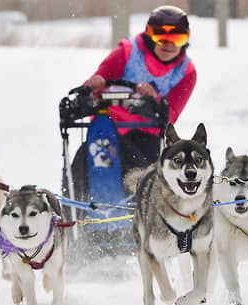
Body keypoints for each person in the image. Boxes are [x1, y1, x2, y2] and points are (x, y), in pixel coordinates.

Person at [71, 5, 197, 198]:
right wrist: (93, 84)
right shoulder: (127, 52)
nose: (169, 45)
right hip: (108, 128)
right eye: (161, 38)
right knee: (83, 161)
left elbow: (171, 114)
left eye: (177, 39)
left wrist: (155, 98)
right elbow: (97, 82)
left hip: (147, 136)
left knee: (142, 168)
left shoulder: (186, 73)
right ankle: (76, 208)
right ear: (149, 36)